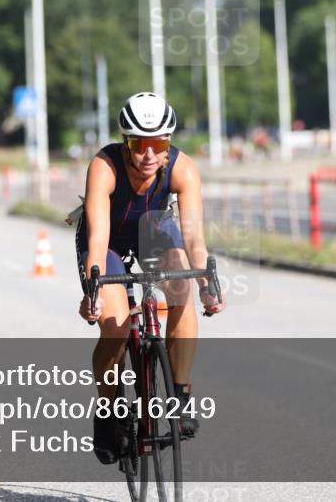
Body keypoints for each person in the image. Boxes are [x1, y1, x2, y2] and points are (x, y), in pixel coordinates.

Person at [76, 91, 225, 464]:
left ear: (168, 142)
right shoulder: (104, 166)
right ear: (125, 143)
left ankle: (180, 392)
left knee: (182, 283)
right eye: (138, 143)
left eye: (158, 144)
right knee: (116, 328)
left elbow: (193, 236)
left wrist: (207, 282)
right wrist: (94, 288)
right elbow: (97, 237)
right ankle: (110, 412)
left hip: (153, 230)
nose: (148, 154)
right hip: (107, 237)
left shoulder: (183, 168)